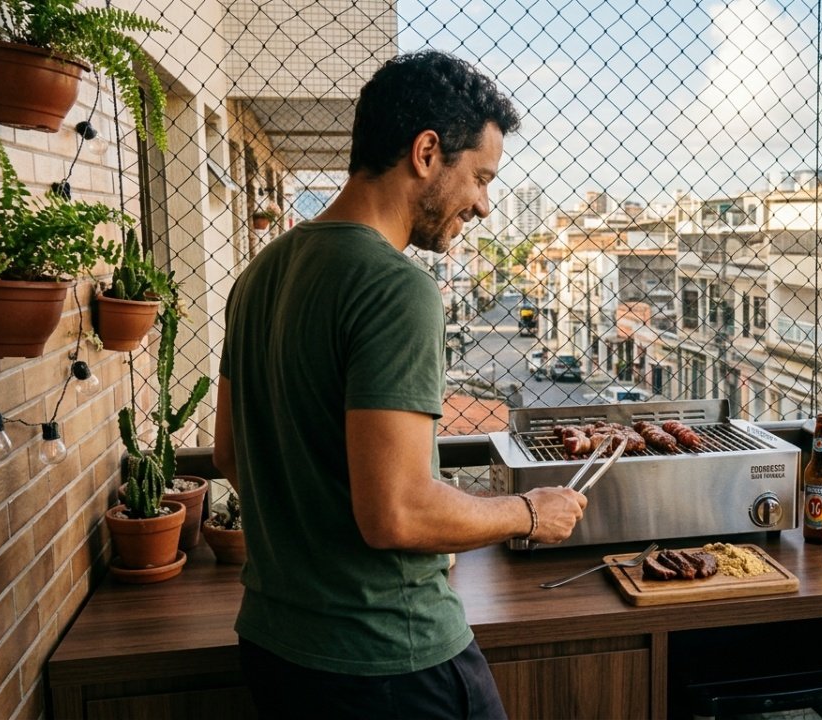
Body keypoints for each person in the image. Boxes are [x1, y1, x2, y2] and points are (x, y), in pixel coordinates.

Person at [212, 50, 588, 719]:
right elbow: (398, 513)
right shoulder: (395, 288)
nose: (482, 204)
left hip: (275, 649)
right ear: (426, 152)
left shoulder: (257, 276)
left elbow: (230, 455)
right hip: (389, 660)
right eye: (479, 178)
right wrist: (531, 513)